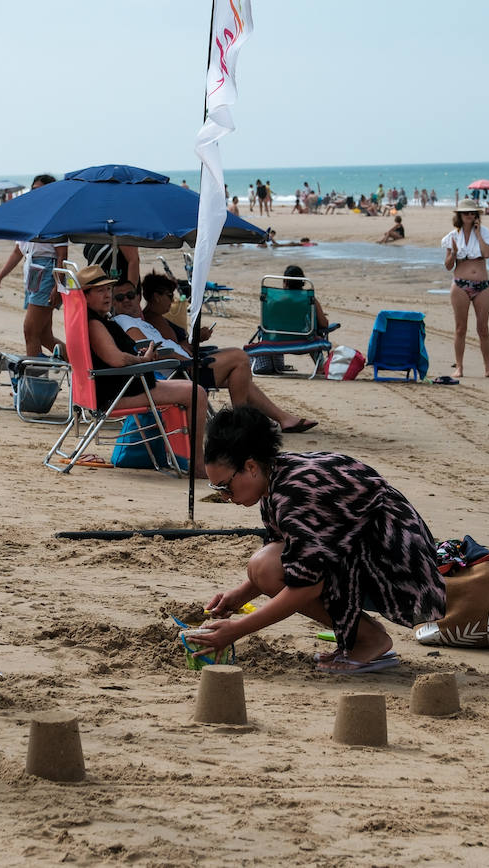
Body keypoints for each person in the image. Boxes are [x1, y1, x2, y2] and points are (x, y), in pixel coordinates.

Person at [186, 406, 447, 673]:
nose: (224, 497)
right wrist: (238, 597)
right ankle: (364, 634)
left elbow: (305, 585)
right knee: (261, 567)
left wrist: (237, 630)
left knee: (264, 567)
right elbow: (291, 554)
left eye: (224, 487)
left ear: (251, 467)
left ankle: (369, 639)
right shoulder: (277, 477)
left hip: (402, 570)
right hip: (369, 554)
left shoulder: (294, 493)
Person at [122, 276, 318, 433]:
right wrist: (186, 359)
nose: (128, 300)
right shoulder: (125, 320)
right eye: (120, 297)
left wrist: (191, 345)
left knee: (239, 375)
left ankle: (282, 419)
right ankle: (242, 424)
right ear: (156, 296)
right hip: (181, 371)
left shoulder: (141, 321)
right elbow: (151, 350)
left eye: (132, 295)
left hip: (185, 364)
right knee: (239, 357)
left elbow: (172, 344)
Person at [78, 265, 208, 478]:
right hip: (119, 394)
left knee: (190, 391)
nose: (107, 295)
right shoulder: (94, 324)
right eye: (100, 290)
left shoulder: (93, 320)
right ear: (85, 296)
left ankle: (183, 457)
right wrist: (144, 360)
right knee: (197, 393)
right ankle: (196, 464)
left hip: (119, 389)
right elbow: (117, 359)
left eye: (108, 289)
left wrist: (138, 354)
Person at [0, 174, 66, 358]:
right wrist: (0, 277)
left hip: (47, 270)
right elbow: (18, 251)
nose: (36, 194)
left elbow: (62, 254)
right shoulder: (29, 217)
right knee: (44, 336)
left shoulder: (55, 216)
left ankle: (35, 380)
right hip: (31, 271)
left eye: (40, 190)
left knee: (30, 331)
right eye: (33, 189)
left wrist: (58, 285)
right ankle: (81, 368)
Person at [441, 199, 489, 379]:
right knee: (460, 328)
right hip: (460, 285)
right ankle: (459, 367)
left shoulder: (484, 232)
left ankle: (488, 368)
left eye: (473, 213)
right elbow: (448, 265)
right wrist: (455, 253)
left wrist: (479, 234)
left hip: (482, 285)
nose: (470, 216)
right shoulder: (452, 236)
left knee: (483, 328)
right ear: (459, 215)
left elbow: (487, 254)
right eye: (466, 213)